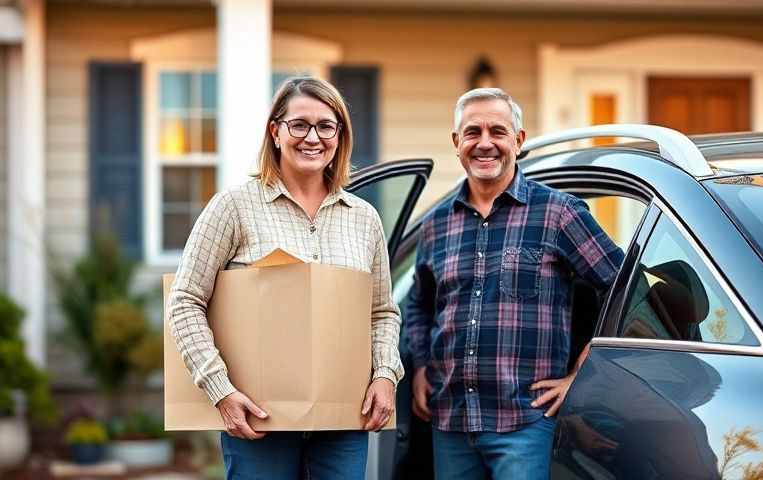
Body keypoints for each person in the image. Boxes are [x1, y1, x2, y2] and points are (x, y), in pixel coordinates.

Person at [167, 76, 403, 479]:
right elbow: (185, 299)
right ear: (276, 131)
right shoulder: (235, 206)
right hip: (260, 418)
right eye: (299, 125)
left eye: (326, 126)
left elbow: (381, 311)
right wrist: (220, 389)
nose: (313, 137)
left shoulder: (364, 218)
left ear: (339, 135)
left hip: (342, 419)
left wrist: (384, 374)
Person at [405, 87, 624, 479]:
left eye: (498, 132)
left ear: (518, 141)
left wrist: (584, 374)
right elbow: (419, 304)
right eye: (472, 132)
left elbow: (622, 287)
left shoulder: (559, 213)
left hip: (524, 423)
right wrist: (420, 364)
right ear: (457, 143)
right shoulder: (436, 224)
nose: (485, 143)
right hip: (451, 422)